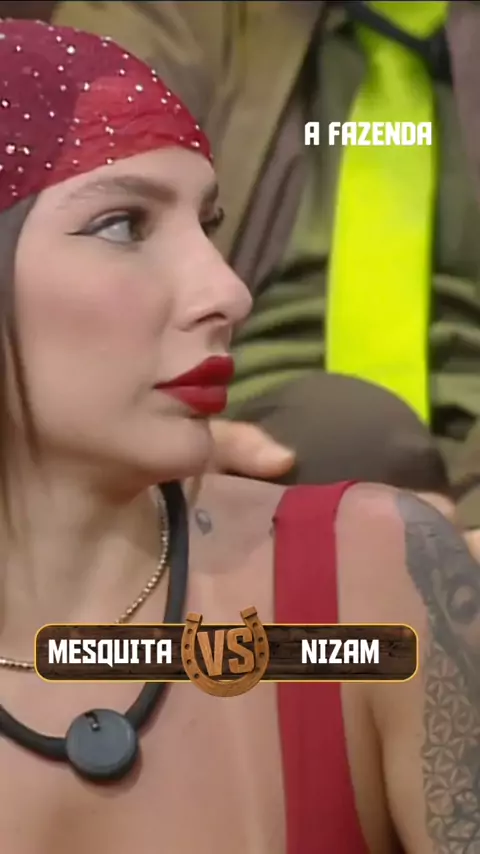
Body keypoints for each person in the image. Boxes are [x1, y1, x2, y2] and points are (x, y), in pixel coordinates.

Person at [0, 17, 477, 854]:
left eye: (210, 226)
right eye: (123, 226)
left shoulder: (364, 593)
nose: (228, 291)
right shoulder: (197, 23)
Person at [47, 0, 480, 536]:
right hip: (242, 426)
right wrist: (153, 440)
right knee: (347, 434)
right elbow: (50, 225)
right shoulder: (173, 18)